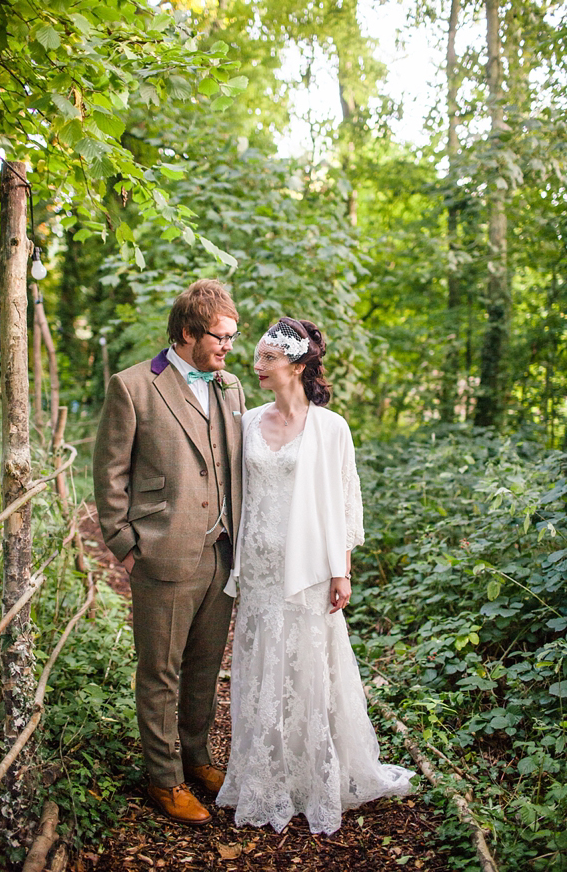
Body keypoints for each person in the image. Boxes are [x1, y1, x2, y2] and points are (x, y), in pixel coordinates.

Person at [217, 317, 414, 835]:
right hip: (258, 567)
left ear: (298, 366)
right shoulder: (248, 421)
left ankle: (313, 777)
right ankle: (262, 775)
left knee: (308, 666)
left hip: (307, 569)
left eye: (267, 359)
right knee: (261, 666)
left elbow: (345, 503)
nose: (256, 366)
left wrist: (340, 570)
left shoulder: (332, 428)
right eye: (256, 357)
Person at [93, 279, 246, 826]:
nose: (228, 347)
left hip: (221, 552)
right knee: (160, 671)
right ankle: (164, 779)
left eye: (232, 337)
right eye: (220, 337)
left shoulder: (231, 388)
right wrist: (126, 546)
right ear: (187, 332)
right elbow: (109, 474)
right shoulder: (133, 387)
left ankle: (197, 756)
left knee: (205, 666)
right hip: (161, 552)